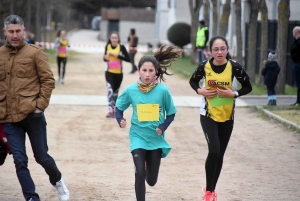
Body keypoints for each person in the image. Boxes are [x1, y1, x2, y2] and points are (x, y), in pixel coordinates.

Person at [0, 15, 69, 201]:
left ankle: (58, 180)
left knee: (42, 157)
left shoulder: (35, 53)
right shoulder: (0, 55)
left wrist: (40, 106)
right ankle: (31, 197)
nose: (15, 35)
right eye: (11, 31)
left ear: (24, 31)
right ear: (5, 32)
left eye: (18, 31)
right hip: (8, 118)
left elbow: (48, 80)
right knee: (19, 160)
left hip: (33, 115)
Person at [189, 36, 252, 201]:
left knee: (220, 154)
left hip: (227, 116)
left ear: (227, 49)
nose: (219, 52)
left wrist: (234, 94)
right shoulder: (204, 66)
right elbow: (193, 81)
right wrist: (200, 91)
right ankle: (208, 192)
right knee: (214, 150)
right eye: (216, 49)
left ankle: (212, 189)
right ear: (210, 51)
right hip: (208, 115)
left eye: (223, 48)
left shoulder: (235, 67)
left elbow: (248, 86)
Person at [115, 45, 181, 201]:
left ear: (156, 72)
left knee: (151, 181)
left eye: (151, 71)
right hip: (137, 136)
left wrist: (162, 126)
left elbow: (171, 113)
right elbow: (118, 108)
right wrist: (120, 119)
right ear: (139, 71)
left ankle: (148, 167)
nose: (147, 74)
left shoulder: (163, 91)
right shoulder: (131, 90)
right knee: (139, 172)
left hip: (155, 139)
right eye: (144, 70)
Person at [103, 31, 130, 118]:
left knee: (115, 93)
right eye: (112, 38)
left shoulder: (121, 47)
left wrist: (117, 55)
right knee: (110, 90)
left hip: (119, 73)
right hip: (109, 72)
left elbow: (128, 59)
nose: (114, 39)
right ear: (110, 39)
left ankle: (114, 110)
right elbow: (105, 58)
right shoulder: (107, 46)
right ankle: (110, 110)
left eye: (115, 38)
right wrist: (105, 58)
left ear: (118, 39)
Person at [290, 26, 300, 106]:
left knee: (298, 83)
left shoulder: (298, 43)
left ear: (295, 33)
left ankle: (299, 101)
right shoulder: (296, 41)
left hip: (298, 63)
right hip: (296, 63)